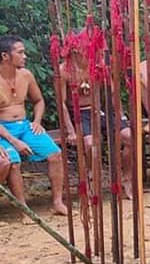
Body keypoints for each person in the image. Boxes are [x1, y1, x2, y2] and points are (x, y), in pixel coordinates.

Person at [0, 35, 67, 215]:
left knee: (55, 154)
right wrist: (15, 141)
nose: (25, 56)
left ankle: (57, 202)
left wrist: (37, 122)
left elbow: (38, 100)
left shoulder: (26, 75)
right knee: (13, 162)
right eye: (20, 52)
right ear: (5, 56)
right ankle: (24, 209)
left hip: (25, 126)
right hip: (3, 131)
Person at [60, 44, 133, 198]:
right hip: (79, 114)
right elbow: (61, 103)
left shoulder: (99, 65)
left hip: (99, 110)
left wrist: (120, 116)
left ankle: (126, 179)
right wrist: (71, 130)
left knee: (129, 136)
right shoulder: (64, 71)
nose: (92, 52)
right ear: (75, 51)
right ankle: (89, 177)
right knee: (89, 144)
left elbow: (113, 94)